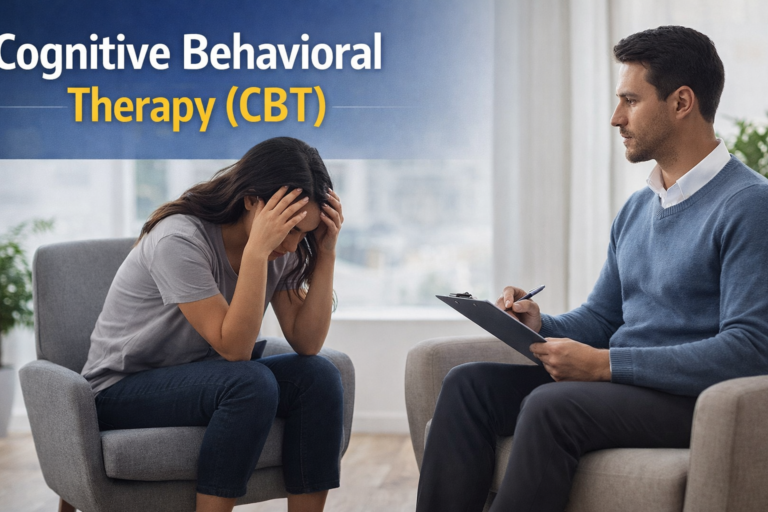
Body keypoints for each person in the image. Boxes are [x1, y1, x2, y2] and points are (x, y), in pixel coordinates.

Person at [416, 25, 768, 512]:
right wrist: (540, 325)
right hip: (627, 386)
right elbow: (603, 319)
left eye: (630, 100)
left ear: (682, 102)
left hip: (693, 399)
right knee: (467, 385)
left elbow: (751, 349)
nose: (615, 117)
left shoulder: (749, 205)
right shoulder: (638, 209)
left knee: (550, 405)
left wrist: (605, 365)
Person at [81, 137, 345, 512]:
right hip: (120, 388)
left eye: (304, 232)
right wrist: (257, 252)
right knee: (250, 382)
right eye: (289, 229)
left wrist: (327, 252)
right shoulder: (180, 238)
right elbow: (235, 350)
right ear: (251, 200)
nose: (291, 245)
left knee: (318, 375)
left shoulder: (281, 248)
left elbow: (307, 342)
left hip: (204, 377)